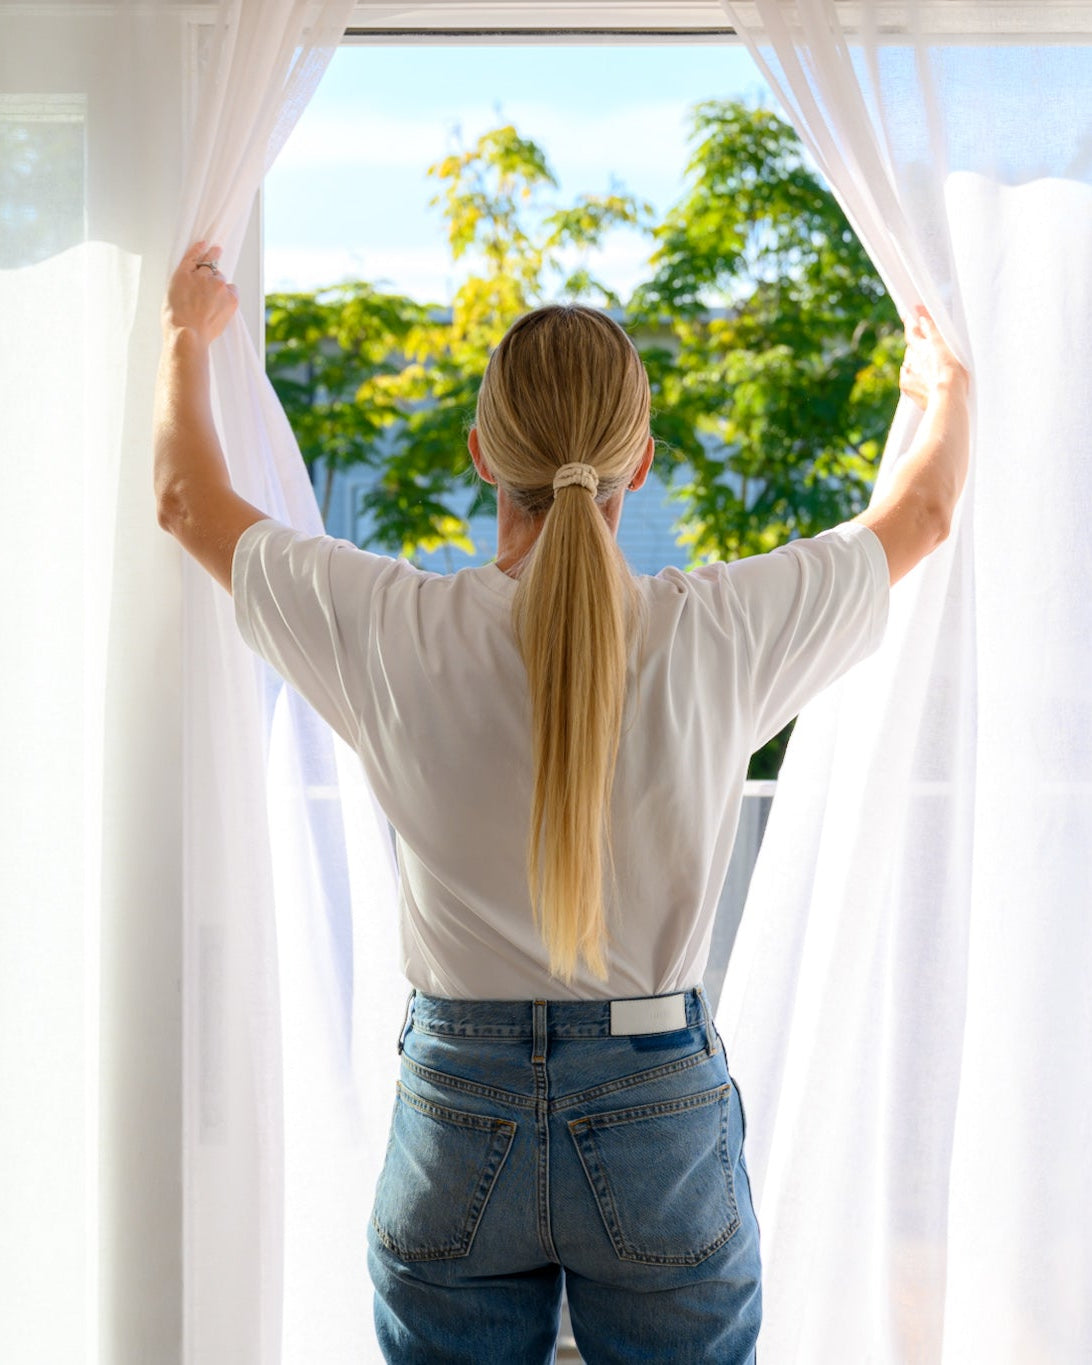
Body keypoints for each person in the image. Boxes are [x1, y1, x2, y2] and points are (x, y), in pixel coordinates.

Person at [154, 240, 969, 1364]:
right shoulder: (720, 630)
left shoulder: (393, 629)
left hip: (457, 1116)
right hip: (657, 1119)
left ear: (484, 454)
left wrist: (183, 340)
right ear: (640, 465)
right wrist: (946, 385)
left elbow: (187, 499)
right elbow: (921, 515)